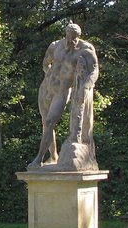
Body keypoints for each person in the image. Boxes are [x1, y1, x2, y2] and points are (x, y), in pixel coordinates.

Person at [28, 22, 99, 170]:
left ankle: (38, 158)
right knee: (45, 123)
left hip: (62, 91)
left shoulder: (85, 50)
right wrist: (48, 74)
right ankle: (53, 156)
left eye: (74, 38)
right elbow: (45, 63)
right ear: (65, 34)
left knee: (50, 121)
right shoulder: (55, 46)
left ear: (78, 37)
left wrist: (84, 87)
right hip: (46, 88)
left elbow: (94, 71)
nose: (70, 40)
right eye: (68, 37)